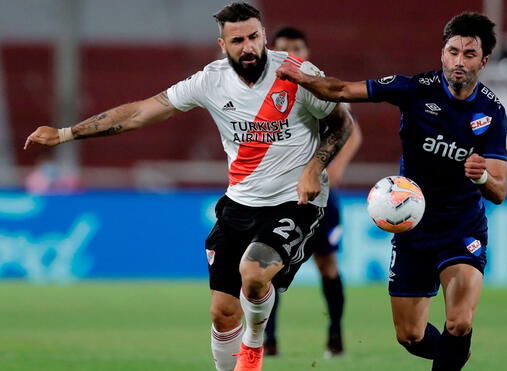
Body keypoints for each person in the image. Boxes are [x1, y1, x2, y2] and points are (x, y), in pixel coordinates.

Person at [23, 3, 354, 371]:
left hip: (295, 200)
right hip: (240, 203)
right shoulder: (209, 81)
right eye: (238, 40)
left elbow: (342, 123)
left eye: (254, 37)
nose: (248, 47)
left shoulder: (296, 74)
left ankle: (254, 348)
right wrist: (67, 133)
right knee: (222, 313)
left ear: (264, 34)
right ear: (222, 44)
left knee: (255, 272)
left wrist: (315, 166)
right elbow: (139, 113)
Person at [277, 12, 507, 370]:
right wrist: (299, 77)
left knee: (459, 321)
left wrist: (481, 179)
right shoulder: (414, 89)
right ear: (443, 52)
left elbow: (499, 190)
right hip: (412, 228)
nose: (459, 61)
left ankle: (455, 346)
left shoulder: (492, 113)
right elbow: (341, 90)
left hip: (462, 228)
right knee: (410, 336)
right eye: (453, 51)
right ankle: (455, 352)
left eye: (469, 54)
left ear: (484, 60)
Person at [263, 26, 363, 358]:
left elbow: (351, 130)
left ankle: (335, 335)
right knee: (269, 266)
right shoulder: (268, 92)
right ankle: (269, 339)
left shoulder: (319, 88)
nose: (291, 54)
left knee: (326, 264)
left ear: (306, 53)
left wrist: (333, 168)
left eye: (297, 48)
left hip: (321, 195)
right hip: (280, 194)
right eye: (283, 49)